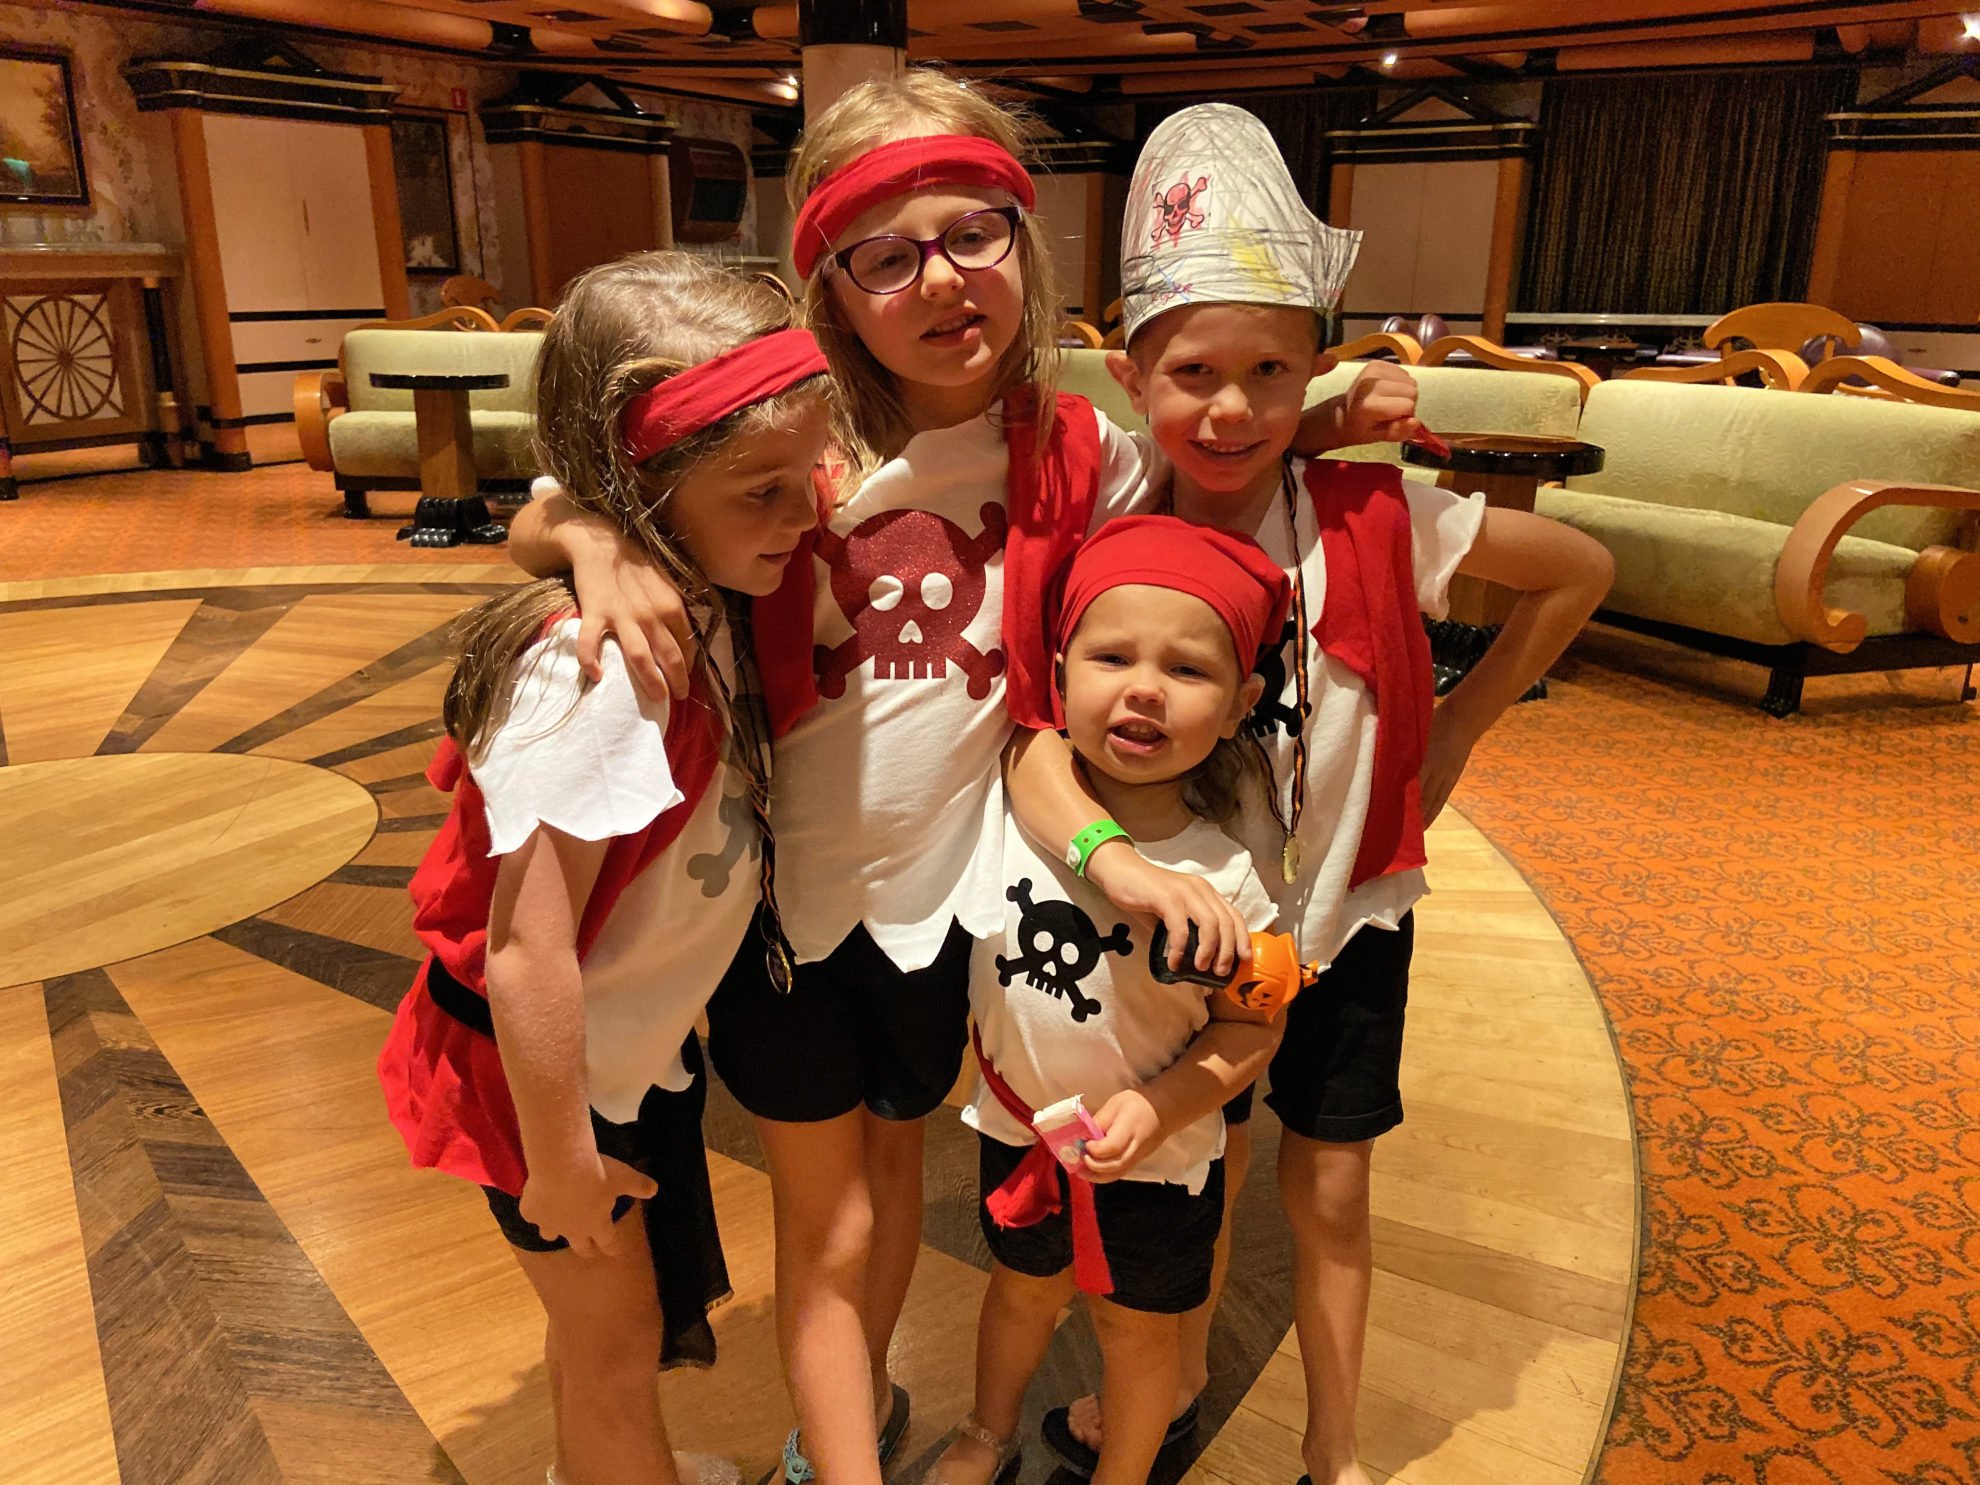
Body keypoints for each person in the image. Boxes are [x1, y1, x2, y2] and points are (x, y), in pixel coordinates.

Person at [504, 71, 1426, 1485]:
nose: (940, 279)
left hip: (958, 906)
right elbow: (573, 491)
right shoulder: (796, 437)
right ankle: (844, 1425)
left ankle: (861, 1405)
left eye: (975, 234)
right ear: (830, 279)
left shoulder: (1080, 455)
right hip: (781, 911)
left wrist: (1318, 416)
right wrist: (585, 542)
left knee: (888, 1184)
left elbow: (1212, 440)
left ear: (1025, 244)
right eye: (885, 252)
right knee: (834, 1222)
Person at [1007, 105, 1615, 1485]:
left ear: (1313, 371)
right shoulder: (1112, 529)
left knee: (1330, 1184)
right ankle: (1174, 1384)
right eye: (1195, 372)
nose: (1230, 407)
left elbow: (1575, 570)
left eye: (1272, 373)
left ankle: (1334, 1450)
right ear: (1130, 370)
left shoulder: (1374, 517)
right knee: (1185, 1166)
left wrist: (1454, 733)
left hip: (1346, 913)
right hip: (1188, 919)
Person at [375, 252, 830, 1485]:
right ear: (644, 491)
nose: (807, 515)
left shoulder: (695, 568)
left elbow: (548, 501)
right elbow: (526, 948)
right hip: (541, 1087)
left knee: (607, 1336)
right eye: (764, 490)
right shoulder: (593, 675)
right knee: (615, 1342)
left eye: (813, 475)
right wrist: (561, 1157)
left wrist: (582, 526)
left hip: (612, 1061)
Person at [928, 515, 1292, 1485]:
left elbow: (1256, 1029)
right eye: (1112, 655)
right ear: (1060, 668)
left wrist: (1161, 1105)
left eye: (1187, 670)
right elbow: (1018, 746)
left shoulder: (1236, 881)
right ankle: (982, 1431)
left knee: (1139, 1336)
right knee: (1017, 1293)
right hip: (1018, 1133)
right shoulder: (1010, 806)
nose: (1142, 686)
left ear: (1241, 701)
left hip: (1161, 1163)